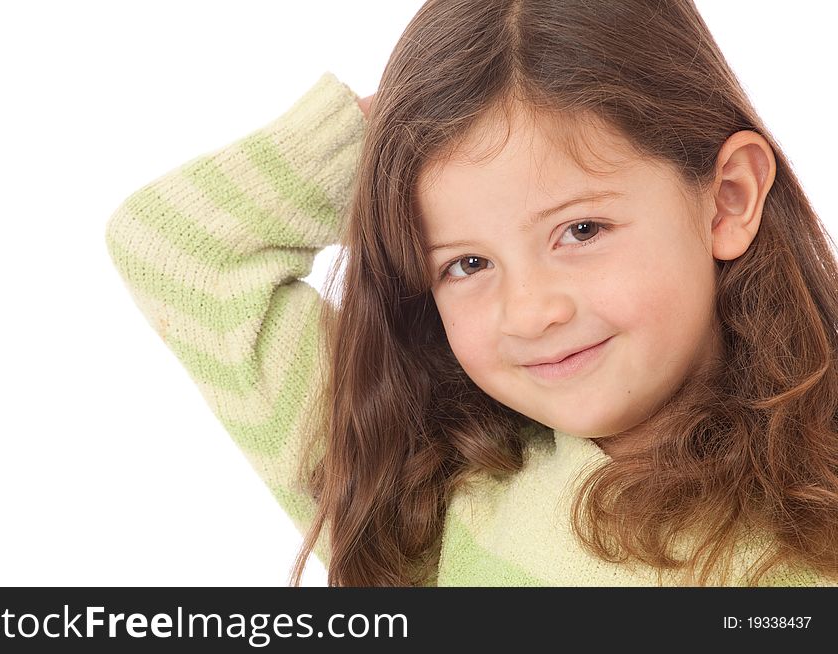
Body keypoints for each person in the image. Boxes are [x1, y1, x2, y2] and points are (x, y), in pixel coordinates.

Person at [104, 0, 838, 586]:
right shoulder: (426, 487)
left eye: (581, 229)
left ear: (728, 198)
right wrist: (392, 136)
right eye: (465, 264)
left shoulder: (806, 550)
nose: (529, 311)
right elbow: (179, 252)